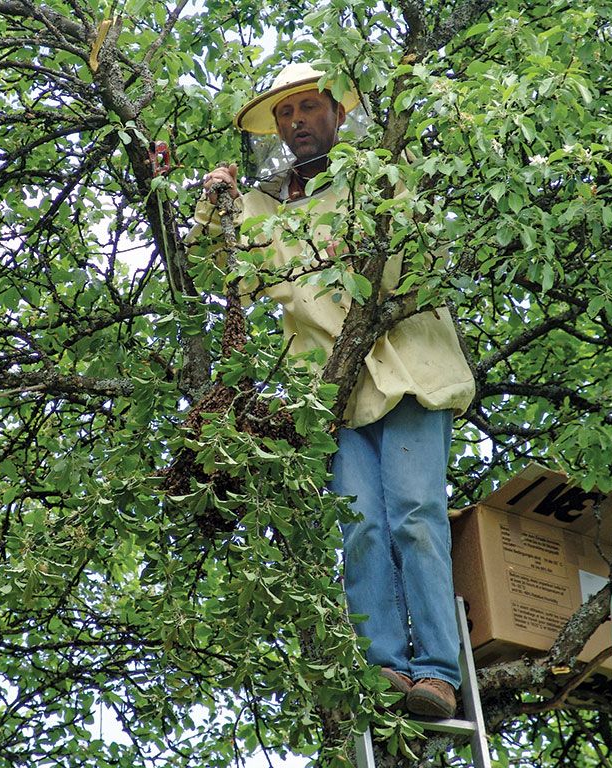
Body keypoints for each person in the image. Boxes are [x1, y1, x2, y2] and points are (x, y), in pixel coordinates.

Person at [196, 62, 476, 718]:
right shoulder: (268, 205)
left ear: (338, 113)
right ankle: (383, 665)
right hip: (333, 398)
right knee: (361, 530)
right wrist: (216, 202)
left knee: (415, 517)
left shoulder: (380, 174)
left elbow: (414, 255)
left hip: (412, 375)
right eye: (285, 114)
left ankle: (437, 672)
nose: (295, 122)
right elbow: (224, 271)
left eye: (308, 108)